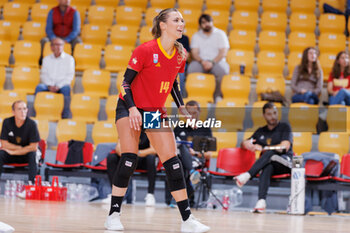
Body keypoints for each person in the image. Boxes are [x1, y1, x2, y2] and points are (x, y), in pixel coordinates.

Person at [104, 8, 210, 233]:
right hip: (129, 106)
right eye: (176, 20)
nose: (181, 23)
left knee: (172, 162)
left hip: (153, 111)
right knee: (129, 158)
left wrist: (181, 107)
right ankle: (113, 215)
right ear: (163, 25)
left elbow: (173, 83)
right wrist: (132, 109)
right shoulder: (145, 50)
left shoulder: (181, 54)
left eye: (182, 20)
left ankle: (187, 220)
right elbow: (124, 84)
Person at [235, 102, 293, 213]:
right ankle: (261, 202)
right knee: (267, 166)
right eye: (269, 114)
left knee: (269, 153)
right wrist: (246, 144)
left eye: (275, 113)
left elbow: (284, 147)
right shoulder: (260, 131)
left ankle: (247, 175)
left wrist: (264, 148)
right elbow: (244, 143)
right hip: (271, 163)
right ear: (264, 115)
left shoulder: (284, 127)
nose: (273, 116)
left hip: (285, 162)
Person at [166, 100, 212, 207]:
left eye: (194, 113)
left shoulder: (205, 129)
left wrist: (195, 153)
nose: (191, 116)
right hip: (180, 159)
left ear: (199, 112)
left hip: (197, 160)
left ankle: (177, 200)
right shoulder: (178, 128)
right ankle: (192, 173)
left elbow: (209, 154)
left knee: (180, 167)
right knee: (180, 156)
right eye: (188, 113)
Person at [106, 132, 157, 206]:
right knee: (111, 158)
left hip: (142, 158)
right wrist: (127, 155)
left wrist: (136, 153)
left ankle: (150, 194)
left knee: (151, 158)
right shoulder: (126, 125)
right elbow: (118, 148)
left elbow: (153, 150)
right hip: (128, 157)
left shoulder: (149, 127)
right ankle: (115, 194)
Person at [187, 14, 230, 102]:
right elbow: (194, 53)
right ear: (200, 25)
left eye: (208, 21)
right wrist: (202, 61)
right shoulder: (196, 35)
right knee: (191, 70)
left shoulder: (220, 34)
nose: (207, 24)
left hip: (217, 61)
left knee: (223, 71)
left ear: (212, 22)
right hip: (200, 61)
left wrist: (212, 62)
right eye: (203, 22)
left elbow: (223, 52)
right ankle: (194, 95)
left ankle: (217, 96)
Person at [0, 101, 40, 183]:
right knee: (1, 153)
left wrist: (13, 152)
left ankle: (31, 186)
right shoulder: (7, 122)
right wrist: (20, 148)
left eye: (24, 109)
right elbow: (4, 144)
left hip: (26, 155)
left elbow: (33, 147)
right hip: (12, 154)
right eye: (19, 109)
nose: (23, 112)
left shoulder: (32, 124)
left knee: (33, 154)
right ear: (13, 112)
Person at [35, 37, 74, 119]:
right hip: (49, 85)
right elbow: (43, 75)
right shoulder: (46, 59)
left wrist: (58, 86)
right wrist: (50, 86)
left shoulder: (69, 59)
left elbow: (69, 76)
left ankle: (65, 116)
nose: (59, 47)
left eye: (61, 45)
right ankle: (37, 113)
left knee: (67, 89)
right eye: (57, 45)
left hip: (62, 85)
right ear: (51, 47)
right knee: (39, 87)